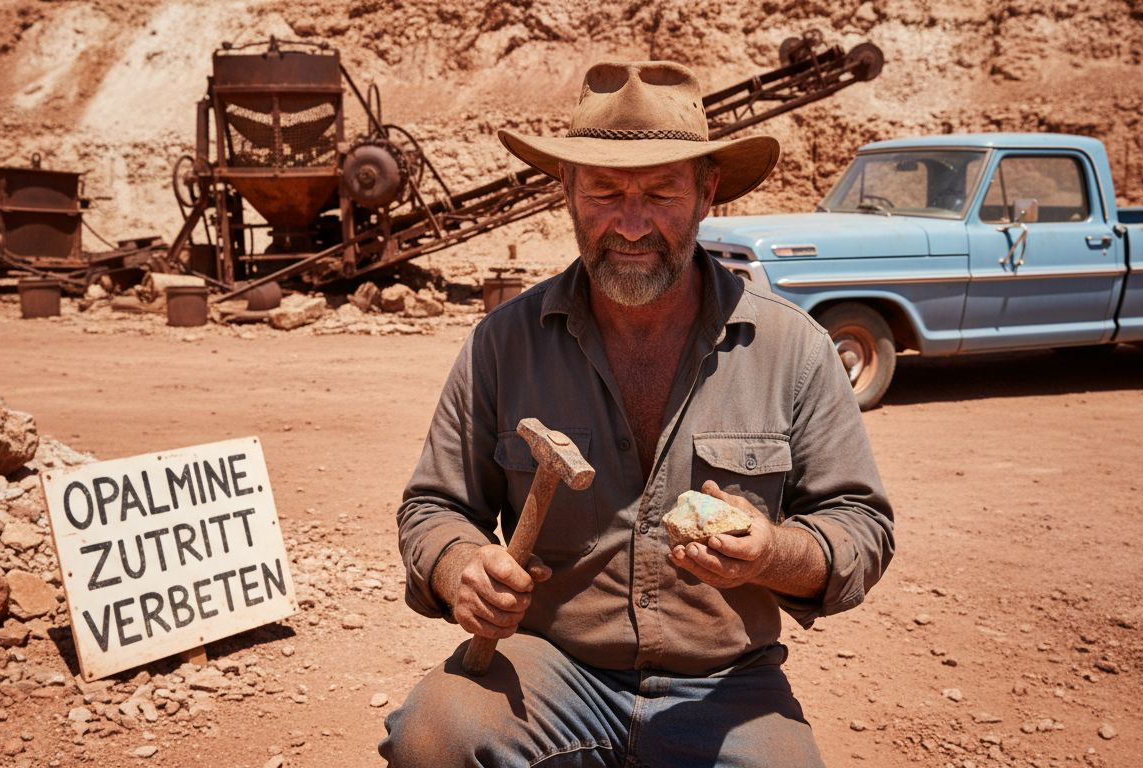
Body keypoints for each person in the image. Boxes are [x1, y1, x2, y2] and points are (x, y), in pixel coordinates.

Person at [381, 60, 894, 767]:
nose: (630, 223)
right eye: (603, 191)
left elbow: (860, 528)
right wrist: (460, 568)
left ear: (706, 193)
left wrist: (772, 555)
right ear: (566, 192)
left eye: (659, 192)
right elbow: (433, 507)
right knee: (433, 736)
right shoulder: (504, 343)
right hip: (551, 665)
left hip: (727, 686)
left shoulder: (791, 347)